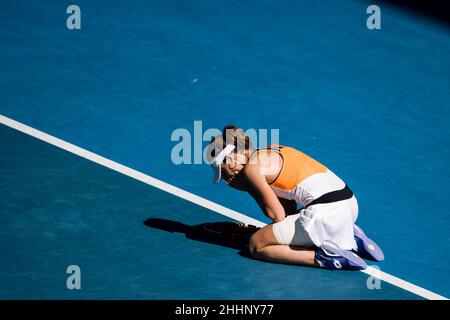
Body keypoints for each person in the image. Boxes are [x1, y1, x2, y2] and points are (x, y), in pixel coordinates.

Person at [206, 125, 384, 270]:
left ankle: (325, 257)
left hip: (327, 213)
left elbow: (277, 216)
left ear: (232, 158)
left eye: (223, 171)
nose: (225, 179)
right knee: (279, 232)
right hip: (349, 204)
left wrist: (249, 188)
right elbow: (287, 212)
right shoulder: (272, 150)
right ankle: (350, 238)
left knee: (256, 245)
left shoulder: (252, 169)